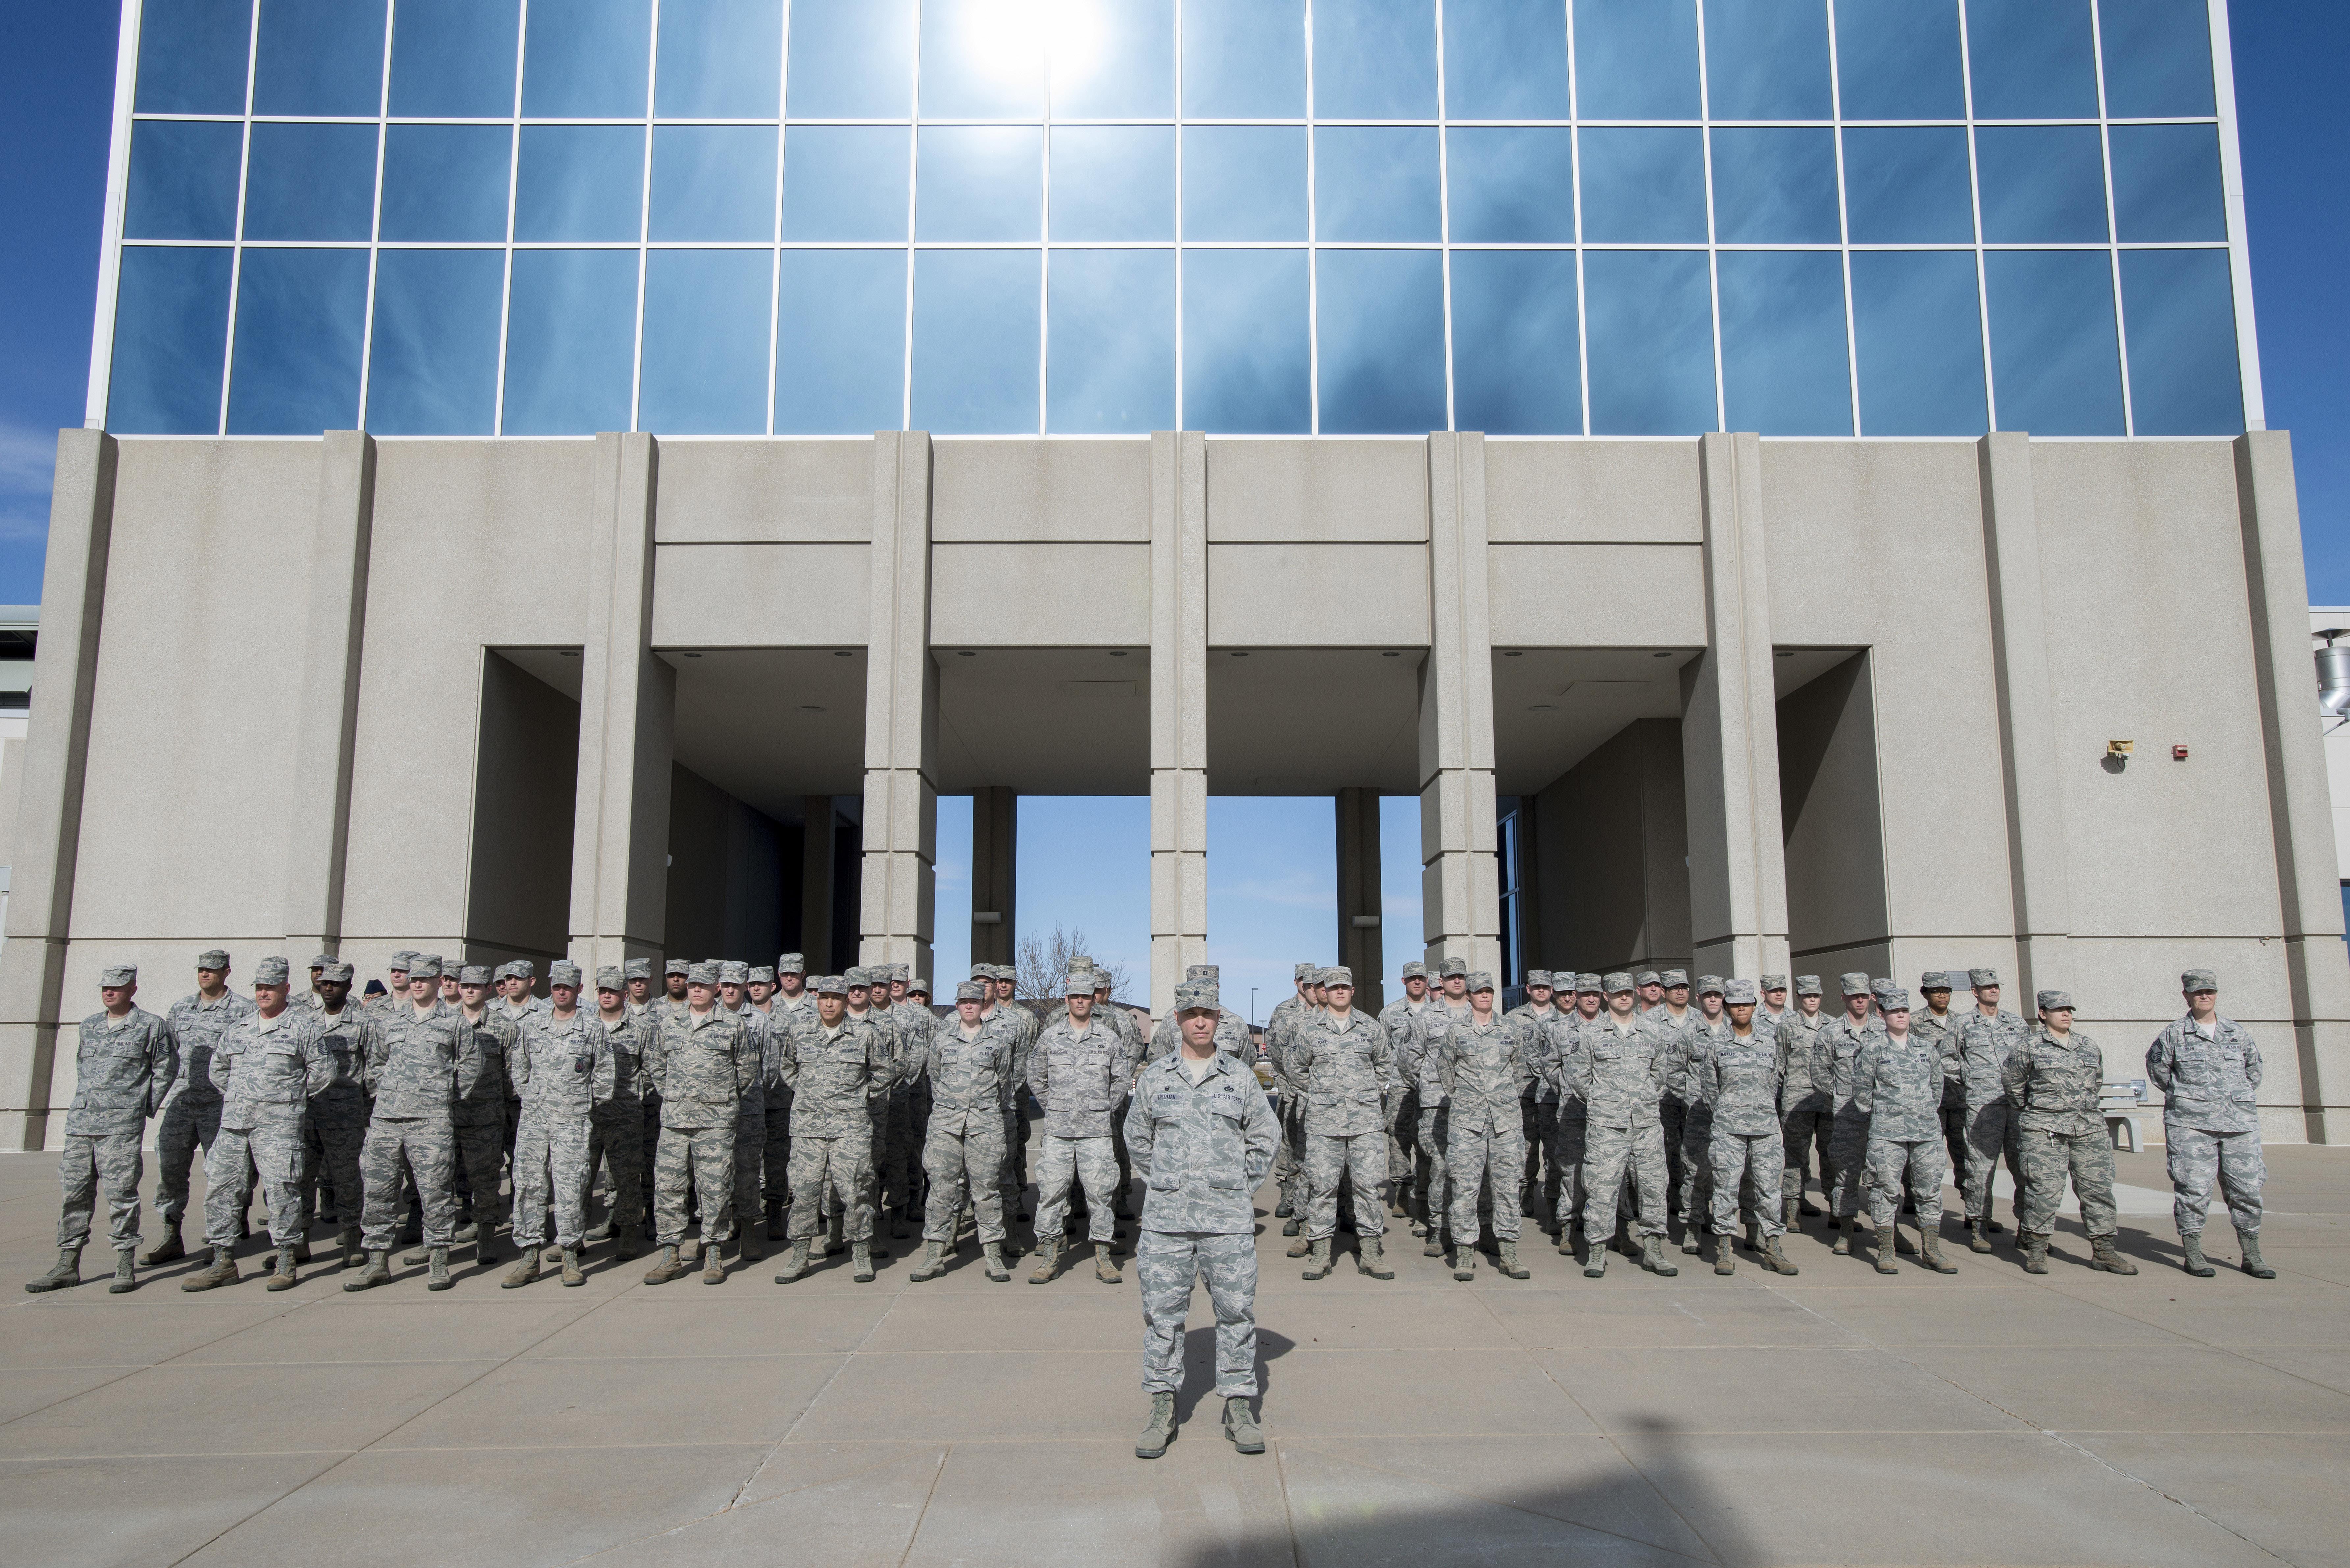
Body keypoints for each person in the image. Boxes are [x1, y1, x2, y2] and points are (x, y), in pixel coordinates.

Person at [1126, 978, 1278, 1461]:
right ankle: (1162, 1405)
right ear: (1177, 1020)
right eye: (1191, 1014)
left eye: (1207, 1014)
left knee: (1236, 1314)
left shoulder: (1240, 1077)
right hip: (1167, 1222)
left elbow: (1265, 1137)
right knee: (1163, 1318)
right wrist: (1167, 1182)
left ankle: (1238, 1405)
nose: (1199, 1022)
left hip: (1227, 1223)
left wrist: (1237, 1186)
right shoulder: (1156, 1078)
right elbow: (1137, 1139)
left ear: (1218, 1020)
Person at [27, 964, 176, 1295]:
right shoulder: (90, 1025)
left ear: (132, 989)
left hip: (120, 1127)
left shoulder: (151, 1025)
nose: (109, 992)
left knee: (121, 1195)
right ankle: (67, 1263)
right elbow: (83, 1067)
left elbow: (167, 1068)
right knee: (74, 1195)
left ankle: (124, 1264)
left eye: (117, 987)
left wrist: (140, 1106)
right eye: (105, 988)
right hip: (82, 1125)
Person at [184, 958, 330, 1292]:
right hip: (235, 1125)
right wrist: (244, 1097)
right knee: (222, 1189)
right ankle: (223, 1261)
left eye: (271, 988)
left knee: (282, 1191)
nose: (264, 993)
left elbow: (323, 1072)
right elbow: (218, 1070)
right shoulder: (239, 1028)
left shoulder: (302, 1027)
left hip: (278, 1127)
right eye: (260, 988)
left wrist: (286, 1099)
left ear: (286, 989)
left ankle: (286, 1260)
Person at [347, 955, 465, 1292]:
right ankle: (377, 1262)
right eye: (414, 979)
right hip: (386, 1120)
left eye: (425, 979)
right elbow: (375, 1065)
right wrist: (388, 1095)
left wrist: (441, 1098)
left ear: (439, 981)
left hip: (431, 1121)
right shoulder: (390, 1022)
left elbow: (469, 1068)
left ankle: (439, 1259)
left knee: (435, 1191)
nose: (418, 984)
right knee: (378, 1191)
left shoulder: (454, 1022)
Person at [2146, 969, 2273, 1279]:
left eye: (2210, 991)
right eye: (2198, 992)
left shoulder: (2237, 1032)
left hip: (2239, 1125)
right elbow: (2159, 1072)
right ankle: (2193, 1253)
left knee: (2247, 1190)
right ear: (2187, 996)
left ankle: (2252, 1254)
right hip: (2191, 1126)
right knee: (2193, 1188)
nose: (2205, 996)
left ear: (2216, 994)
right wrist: (2193, 1099)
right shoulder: (2174, 1034)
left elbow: (2254, 1070)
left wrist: (2232, 1099)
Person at [773, 975, 897, 1284]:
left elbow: (884, 1071)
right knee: (804, 1192)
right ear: (817, 1000)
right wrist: (807, 1093)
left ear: (845, 1001)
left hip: (850, 1128)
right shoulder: (800, 1031)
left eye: (836, 998)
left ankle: (861, 1253)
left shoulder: (865, 1033)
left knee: (856, 1191)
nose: (829, 1003)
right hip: (808, 1127)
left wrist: (860, 1097)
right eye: (824, 997)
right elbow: (787, 1067)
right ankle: (799, 1256)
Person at [2004, 990, 2135, 1276]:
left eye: (2069, 1009)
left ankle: (2105, 1251)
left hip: (2088, 1129)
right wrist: (2042, 1111)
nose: (2066, 1014)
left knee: (2098, 1191)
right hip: (2045, 1129)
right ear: (2043, 1014)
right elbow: (2013, 1086)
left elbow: (2096, 1081)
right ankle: (2036, 1250)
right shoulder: (2028, 1046)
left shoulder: (2088, 1045)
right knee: (2044, 1191)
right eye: (2058, 1009)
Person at [643, 963, 759, 1286]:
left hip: (716, 1122)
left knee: (715, 1187)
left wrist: (721, 1098)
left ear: (716, 989)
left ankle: (713, 1252)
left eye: (704, 985)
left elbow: (747, 1069)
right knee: (669, 1187)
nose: (696, 990)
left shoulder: (733, 1024)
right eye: (693, 985)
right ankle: (670, 1254)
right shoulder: (669, 1023)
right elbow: (657, 1065)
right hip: (675, 1121)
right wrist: (676, 1095)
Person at [504, 963, 615, 1288]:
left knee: (571, 1187)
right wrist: (534, 1098)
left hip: (572, 1122)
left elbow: (605, 1075)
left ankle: (569, 1254)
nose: (562, 991)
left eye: (568, 986)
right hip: (534, 1122)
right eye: (557, 986)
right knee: (528, 1185)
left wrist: (580, 1104)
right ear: (550, 988)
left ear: (579, 989)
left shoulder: (592, 1028)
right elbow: (519, 1070)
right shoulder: (533, 1025)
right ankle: (529, 1257)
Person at [146, 950, 255, 1267]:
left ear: (226, 972)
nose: (205, 974)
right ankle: (171, 1235)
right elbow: (165, 1056)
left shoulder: (243, 1009)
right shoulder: (181, 1008)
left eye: (212, 969)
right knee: (170, 1170)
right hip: (182, 1102)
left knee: (224, 1174)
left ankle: (223, 1236)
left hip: (220, 1105)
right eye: (202, 969)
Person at [1289, 965, 1398, 1280]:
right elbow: (1295, 1068)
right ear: (1325, 991)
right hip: (1324, 1124)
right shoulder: (1310, 1030)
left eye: (1344, 987)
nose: (1339, 991)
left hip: (1365, 1123)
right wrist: (1320, 1095)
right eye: (1333, 987)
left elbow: (1385, 1063)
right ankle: (1321, 1253)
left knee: (1367, 1187)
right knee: (1323, 1188)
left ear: (1352, 991)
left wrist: (1365, 1092)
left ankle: (1371, 1253)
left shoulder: (1370, 1027)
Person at [1027, 970, 1130, 1285]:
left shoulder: (1108, 1038)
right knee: (1051, 1194)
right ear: (1067, 999)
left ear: (1093, 1000)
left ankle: (1103, 1258)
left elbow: (1122, 1078)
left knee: (1101, 1194)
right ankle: (1049, 1257)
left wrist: (1104, 1107)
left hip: (1096, 1131)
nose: (1080, 1001)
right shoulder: (1050, 1037)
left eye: (1086, 996)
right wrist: (1055, 1106)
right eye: (1075, 997)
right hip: (1058, 1131)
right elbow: (1036, 1075)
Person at [1431, 972, 1536, 1281]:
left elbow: (1520, 1070)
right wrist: (1467, 1099)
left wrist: (1502, 1097)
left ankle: (1509, 1253)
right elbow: (1445, 1069)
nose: (1485, 995)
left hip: (1506, 1121)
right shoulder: (1456, 1031)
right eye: (1479, 992)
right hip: (1467, 1121)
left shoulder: (1510, 1029)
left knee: (1507, 1187)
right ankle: (1465, 1253)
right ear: (1469, 996)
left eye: (1489, 991)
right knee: (1465, 1187)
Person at [907, 981, 1014, 1282]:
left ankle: (993, 1256)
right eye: (964, 1001)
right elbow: (935, 1076)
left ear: (983, 1005)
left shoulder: (998, 1041)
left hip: (985, 1124)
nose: (969, 1006)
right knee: (941, 1191)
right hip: (946, 1125)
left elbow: (1004, 1084)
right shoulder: (942, 1040)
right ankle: (934, 1256)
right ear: (957, 1005)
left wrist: (985, 1110)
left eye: (974, 1001)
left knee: (987, 1190)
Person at [1574, 973, 1675, 1278]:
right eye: (1617, 993)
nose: (1624, 998)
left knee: (1654, 1187)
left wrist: (1643, 1099)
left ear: (1635, 994)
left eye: (1628, 993)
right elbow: (1579, 1078)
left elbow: (1660, 1075)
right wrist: (1605, 1102)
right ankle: (1597, 1251)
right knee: (1601, 1188)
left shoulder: (1652, 1032)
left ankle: (1654, 1250)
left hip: (1646, 1126)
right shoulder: (1591, 1033)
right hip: (1607, 1126)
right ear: (1606, 996)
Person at [1854, 989, 1959, 1275]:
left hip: (1926, 1133)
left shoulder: (1926, 1049)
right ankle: (1887, 1250)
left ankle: (1932, 1251)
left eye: (1904, 1011)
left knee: (1929, 1191)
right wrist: (1886, 1115)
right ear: (1882, 1014)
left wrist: (1920, 1113)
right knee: (1885, 1190)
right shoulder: (1873, 1050)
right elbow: (1862, 1093)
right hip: (1887, 1134)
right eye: (1894, 1011)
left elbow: (1936, 1089)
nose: (1901, 1015)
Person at [1697, 981, 1797, 1276]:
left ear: (1754, 1006)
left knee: (1769, 1189)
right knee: (1726, 1188)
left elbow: (1774, 1082)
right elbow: (1710, 1090)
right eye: (1735, 1004)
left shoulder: (1770, 1043)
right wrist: (1729, 1112)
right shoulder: (1716, 1045)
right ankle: (1725, 1249)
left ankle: (1773, 1248)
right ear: (1727, 1008)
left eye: (1746, 1003)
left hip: (1766, 1128)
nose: (1741, 1008)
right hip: (1729, 1128)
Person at [300, 961, 374, 1273]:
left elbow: (375, 1068)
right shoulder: (305, 1021)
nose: (328, 987)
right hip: (307, 1114)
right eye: (324, 983)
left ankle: (352, 1240)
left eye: (335, 983)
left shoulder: (364, 1023)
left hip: (345, 1115)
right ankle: (299, 1240)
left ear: (348, 987)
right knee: (301, 1179)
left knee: (348, 1179)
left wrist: (366, 1111)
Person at [1952, 967, 2030, 1251]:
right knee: (1981, 1170)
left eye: (1996, 986)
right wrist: (1972, 1078)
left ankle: (2028, 1229)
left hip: (2016, 1107)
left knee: (2025, 1168)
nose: (1994, 990)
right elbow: (1947, 1059)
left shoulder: (2017, 1023)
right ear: (1975, 992)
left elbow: (2029, 1059)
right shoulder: (1963, 1024)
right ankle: (1979, 1226)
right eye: (1987, 987)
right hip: (1983, 1108)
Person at [585, 965, 648, 1259]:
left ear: (625, 994)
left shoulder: (641, 1028)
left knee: (627, 1178)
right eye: (603, 991)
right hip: (587, 1115)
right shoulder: (584, 1026)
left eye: (612, 991)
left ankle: (627, 1234)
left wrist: (636, 1097)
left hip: (625, 1117)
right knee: (580, 1178)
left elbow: (652, 1070)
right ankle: (573, 1237)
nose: (607, 996)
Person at [1821, 973, 1882, 1257]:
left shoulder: (1883, 1030)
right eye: (1854, 995)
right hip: (1847, 1116)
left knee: (1884, 1176)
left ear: (1871, 997)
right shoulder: (1831, 1032)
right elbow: (1820, 1073)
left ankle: (1888, 1233)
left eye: (1864, 995)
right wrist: (1841, 1098)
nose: (1860, 1000)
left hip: (1881, 1116)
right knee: (1846, 1175)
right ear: (1844, 997)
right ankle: (1846, 1230)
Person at [1774, 976, 1833, 1230]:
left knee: (1832, 1156)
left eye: (1816, 996)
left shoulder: (1833, 1025)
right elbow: (1779, 1066)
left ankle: (1838, 1209)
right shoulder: (1787, 1026)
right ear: (1799, 997)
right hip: (1797, 1102)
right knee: (1796, 1158)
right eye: (1808, 996)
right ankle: (1793, 1210)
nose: (1812, 1000)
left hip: (1828, 1102)